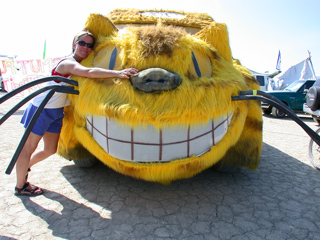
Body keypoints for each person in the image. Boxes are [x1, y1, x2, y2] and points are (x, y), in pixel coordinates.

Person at [15, 30, 138, 196]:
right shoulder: (68, 63)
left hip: (56, 111)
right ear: (75, 44)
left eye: (89, 45)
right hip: (42, 108)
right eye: (82, 43)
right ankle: (20, 185)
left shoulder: (82, 62)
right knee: (28, 147)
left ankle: (24, 167)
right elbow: (88, 73)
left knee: (50, 149)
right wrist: (118, 73)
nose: (85, 47)